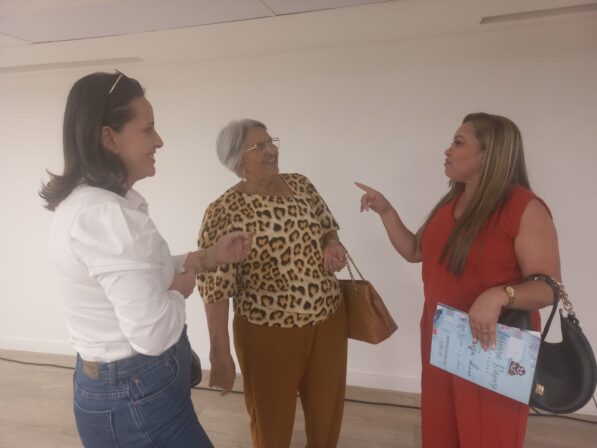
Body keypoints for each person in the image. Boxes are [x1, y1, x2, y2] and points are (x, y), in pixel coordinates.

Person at [40, 71, 252, 448]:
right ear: (110, 138)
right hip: (135, 394)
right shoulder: (107, 216)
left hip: (121, 387)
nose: (159, 141)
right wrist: (180, 289)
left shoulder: (92, 205)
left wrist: (205, 257)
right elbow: (152, 333)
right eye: (148, 129)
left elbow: (138, 275)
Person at [356, 113, 561, 448]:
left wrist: (500, 295)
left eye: (458, 142)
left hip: (493, 348)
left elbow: (548, 287)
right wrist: (386, 211)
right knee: (441, 433)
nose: (447, 150)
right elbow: (414, 250)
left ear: (487, 154)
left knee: (488, 437)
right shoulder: (450, 203)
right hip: (444, 342)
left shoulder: (524, 208)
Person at [195, 119, 348, 447]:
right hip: (268, 331)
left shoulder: (301, 184)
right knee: (271, 426)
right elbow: (215, 289)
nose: (271, 151)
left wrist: (331, 245)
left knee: (327, 418)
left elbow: (327, 227)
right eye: (259, 146)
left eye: (271, 142)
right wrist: (219, 352)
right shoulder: (223, 210)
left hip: (328, 320)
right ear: (237, 159)